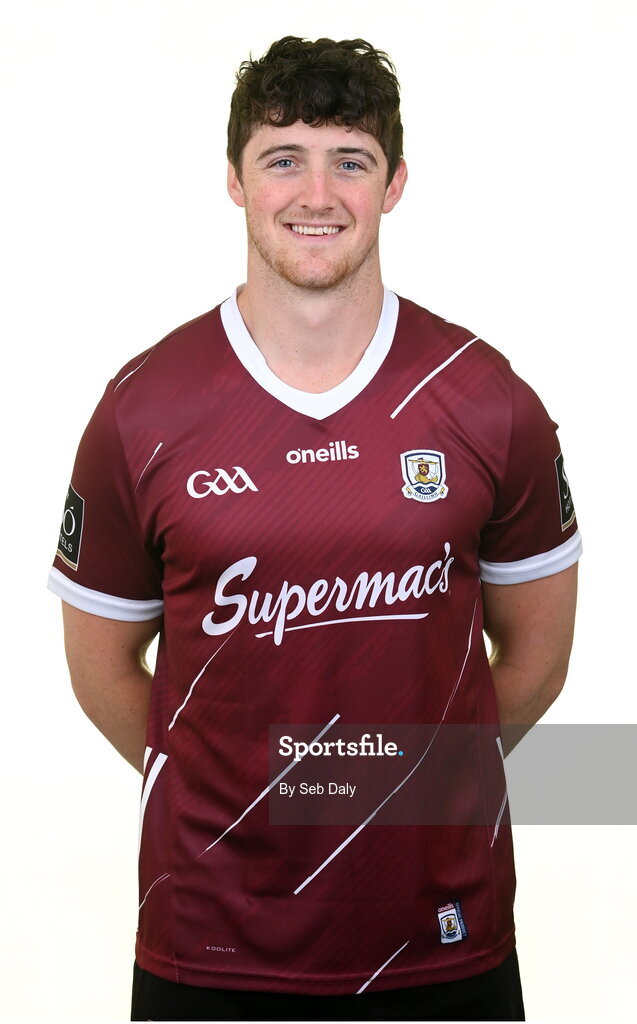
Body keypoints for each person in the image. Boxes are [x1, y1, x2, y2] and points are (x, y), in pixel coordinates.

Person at [48, 35, 581, 1022]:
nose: (317, 191)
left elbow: (537, 658)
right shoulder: (143, 408)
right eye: (282, 156)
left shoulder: (483, 398)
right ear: (235, 182)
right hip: (208, 940)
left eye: (351, 159)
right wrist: (242, 787)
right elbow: (102, 666)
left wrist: (405, 784)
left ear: (396, 183)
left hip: (440, 933)